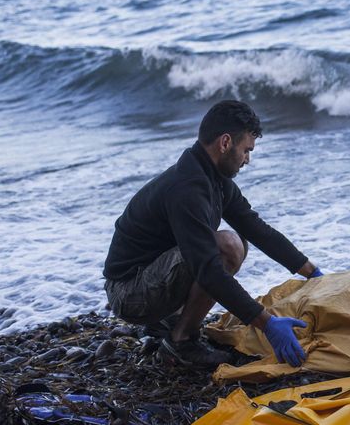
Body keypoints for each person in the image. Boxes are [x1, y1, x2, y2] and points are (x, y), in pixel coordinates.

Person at [103, 100, 321, 369]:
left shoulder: (212, 179)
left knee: (238, 240)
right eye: (246, 150)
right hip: (129, 293)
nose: (247, 160)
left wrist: (312, 273)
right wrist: (267, 324)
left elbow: (256, 229)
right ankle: (181, 342)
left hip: (148, 277)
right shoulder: (188, 189)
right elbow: (208, 270)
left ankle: (172, 320)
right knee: (226, 247)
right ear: (225, 142)